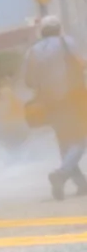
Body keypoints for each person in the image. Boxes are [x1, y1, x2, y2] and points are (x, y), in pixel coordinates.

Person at [23, 14, 87, 199]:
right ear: (59, 28)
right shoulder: (66, 42)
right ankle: (61, 173)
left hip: (49, 103)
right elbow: (82, 63)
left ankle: (81, 183)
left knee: (65, 141)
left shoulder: (33, 51)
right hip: (73, 98)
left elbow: (29, 81)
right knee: (80, 140)